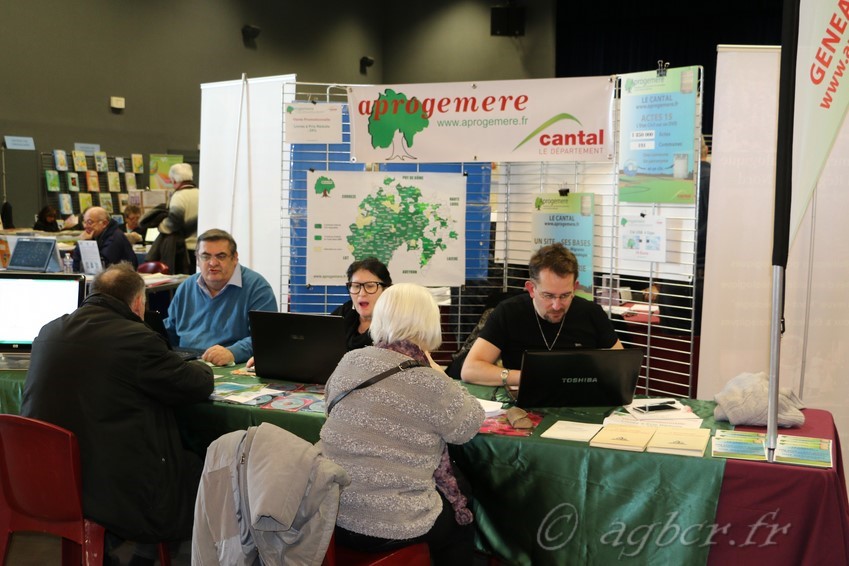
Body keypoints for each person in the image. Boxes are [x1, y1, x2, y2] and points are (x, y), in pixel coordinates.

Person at [20, 263, 214, 564]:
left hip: (48, 480)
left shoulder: (49, 331)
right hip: (112, 490)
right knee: (199, 464)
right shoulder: (136, 339)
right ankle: (158, 552)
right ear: (138, 302)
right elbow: (196, 385)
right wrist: (201, 365)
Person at [320, 283, 485, 565]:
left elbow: (328, 405)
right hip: (394, 523)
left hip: (332, 512)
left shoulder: (350, 360)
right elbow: (468, 425)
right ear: (428, 324)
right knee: (461, 520)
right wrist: (435, 368)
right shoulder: (429, 381)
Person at [461, 243, 623, 387]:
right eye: (548, 295)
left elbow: (622, 368)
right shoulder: (509, 312)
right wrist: (527, 377)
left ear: (575, 287)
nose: (557, 305)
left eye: (565, 295)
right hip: (525, 400)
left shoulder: (591, 313)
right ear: (531, 289)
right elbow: (470, 369)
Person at [165, 228, 277, 366]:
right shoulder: (186, 287)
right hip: (188, 363)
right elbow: (170, 331)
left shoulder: (257, 288)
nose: (213, 263)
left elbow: (267, 337)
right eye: (205, 256)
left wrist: (233, 352)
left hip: (232, 367)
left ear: (235, 258)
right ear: (197, 260)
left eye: (221, 256)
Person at [332, 257, 393, 350]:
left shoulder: (395, 324)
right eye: (356, 286)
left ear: (385, 289)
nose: (362, 293)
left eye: (370, 286)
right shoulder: (343, 313)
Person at [158, 163, 199, 273]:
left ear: (174, 180)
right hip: (200, 247)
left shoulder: (179, 196)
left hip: (186, 251)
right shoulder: (200, 193)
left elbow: (173, 224)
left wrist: (160, 226)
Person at [71, 206, 138, 272]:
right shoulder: (96, 235)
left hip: (121, 279)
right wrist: (82, 243)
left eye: (90, 222)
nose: (85, 226)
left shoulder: (114, 238)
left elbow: (101, 267)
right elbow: (76, 268)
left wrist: (86, 243)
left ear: (104, 223)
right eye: (84, 222)